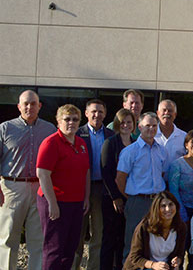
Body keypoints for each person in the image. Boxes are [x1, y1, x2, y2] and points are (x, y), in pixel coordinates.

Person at [0, 90, 56, 270]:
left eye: (33, 103)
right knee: (8, 238)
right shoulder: (5, 128)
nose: (29, 107)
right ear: (18, 106)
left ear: (39, 106)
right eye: (25, 103)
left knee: (38, 239)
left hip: (41, 188)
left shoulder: (49, 130)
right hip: (12, 188)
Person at [36, 104, 90, 270]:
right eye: (67, 119)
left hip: (76, 203)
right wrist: (52, 203)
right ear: (58, 121)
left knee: (70, 248)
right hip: (56, 202)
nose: (71, 123)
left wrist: (86, 198)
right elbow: (42, 174)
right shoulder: (51, 143)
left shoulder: (81, 143)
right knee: (54, 249)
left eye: (75, 119)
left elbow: (86, 172)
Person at [116, 112, 168, 259]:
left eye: (154, 126)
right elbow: (120, 179)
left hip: (158, 202)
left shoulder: (162, 151)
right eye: (147, 125)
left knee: (155, 243)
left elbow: (162, 174)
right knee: (134, 242)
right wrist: (132, 197)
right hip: (137, 202)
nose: (151, 129)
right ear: (139, 127)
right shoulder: (130, 151)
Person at [73, 99, 113, 270]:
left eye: (100, 111)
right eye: (93, 111)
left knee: (98, 234)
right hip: (79, 189)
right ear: (86, 113)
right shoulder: (76, 133)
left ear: (105, 114)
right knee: (77, 234)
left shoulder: (111, 135)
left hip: (102, 189)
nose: (97, 115)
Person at [100, 108, 136, 270]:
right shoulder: (110, 143)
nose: (126, 125)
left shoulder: (136, 144)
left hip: (131, 198)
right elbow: (106, 172)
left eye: (129, 122)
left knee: (125, 238)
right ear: (117, 124)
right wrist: (116, 197)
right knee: (110, 238)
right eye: (123, 122)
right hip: (112, 198)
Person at [124, 191, 187, 270]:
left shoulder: (181, 227)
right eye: (163, 206)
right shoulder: (144, 227)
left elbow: (180, 253)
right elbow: (135, 258)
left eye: (171, 205)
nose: (168, 209)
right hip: (143, 267)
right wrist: (153, 265)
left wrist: (178, 260)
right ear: (156, 209)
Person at [154, 99, 187, 171]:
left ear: (175, 114)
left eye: (170, 111)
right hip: (154, 180)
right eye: (164, 110)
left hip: (177, 180)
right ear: (158, 113)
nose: (167, 113)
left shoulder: (184, 136)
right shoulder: (150, 135)